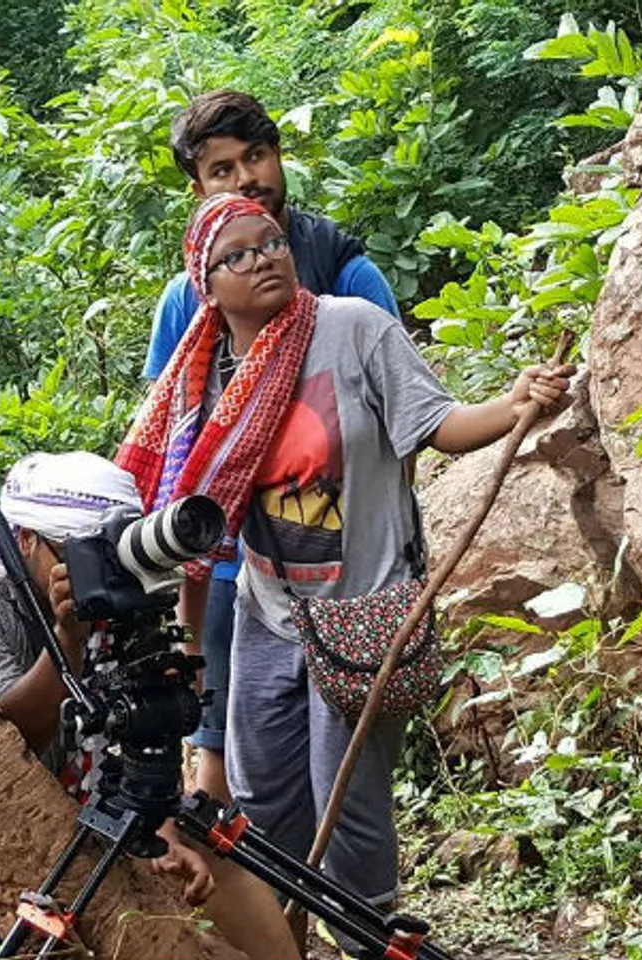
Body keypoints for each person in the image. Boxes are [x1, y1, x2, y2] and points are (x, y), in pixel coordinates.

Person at [118, 192, 573, 953]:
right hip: (270, 617)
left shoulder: (352, 330)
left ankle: (371, 942)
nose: (262, 257)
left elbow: (440, 427)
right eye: (237, 254)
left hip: (365, 617)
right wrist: (191, 652)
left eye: (270, 243)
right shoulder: (201, 386)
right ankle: (286, 940)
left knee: (350, 810)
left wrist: (515, 402)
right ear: (206, 285)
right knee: (264, 807)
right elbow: (194, 533)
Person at [0, 452, 299, 960]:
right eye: (78, 551)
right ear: (26, 539)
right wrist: (67, 644)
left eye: (113, 550)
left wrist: (159, 828)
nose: (107, 570)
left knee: (211, 881)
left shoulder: (132, 580)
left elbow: (149, 711)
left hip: (84, 830)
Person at [144, 89, 401, 804]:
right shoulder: (183, 299)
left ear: (279, 157)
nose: (246, 178)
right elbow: (172, 428)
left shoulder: (345, 275)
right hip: (224, 567)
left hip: (338, 570)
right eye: (221, 170)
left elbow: (401, 419)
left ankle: (339, 904)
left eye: (256, 156)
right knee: (222, 761)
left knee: (341, 776)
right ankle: (258, 907)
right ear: (197, 190)